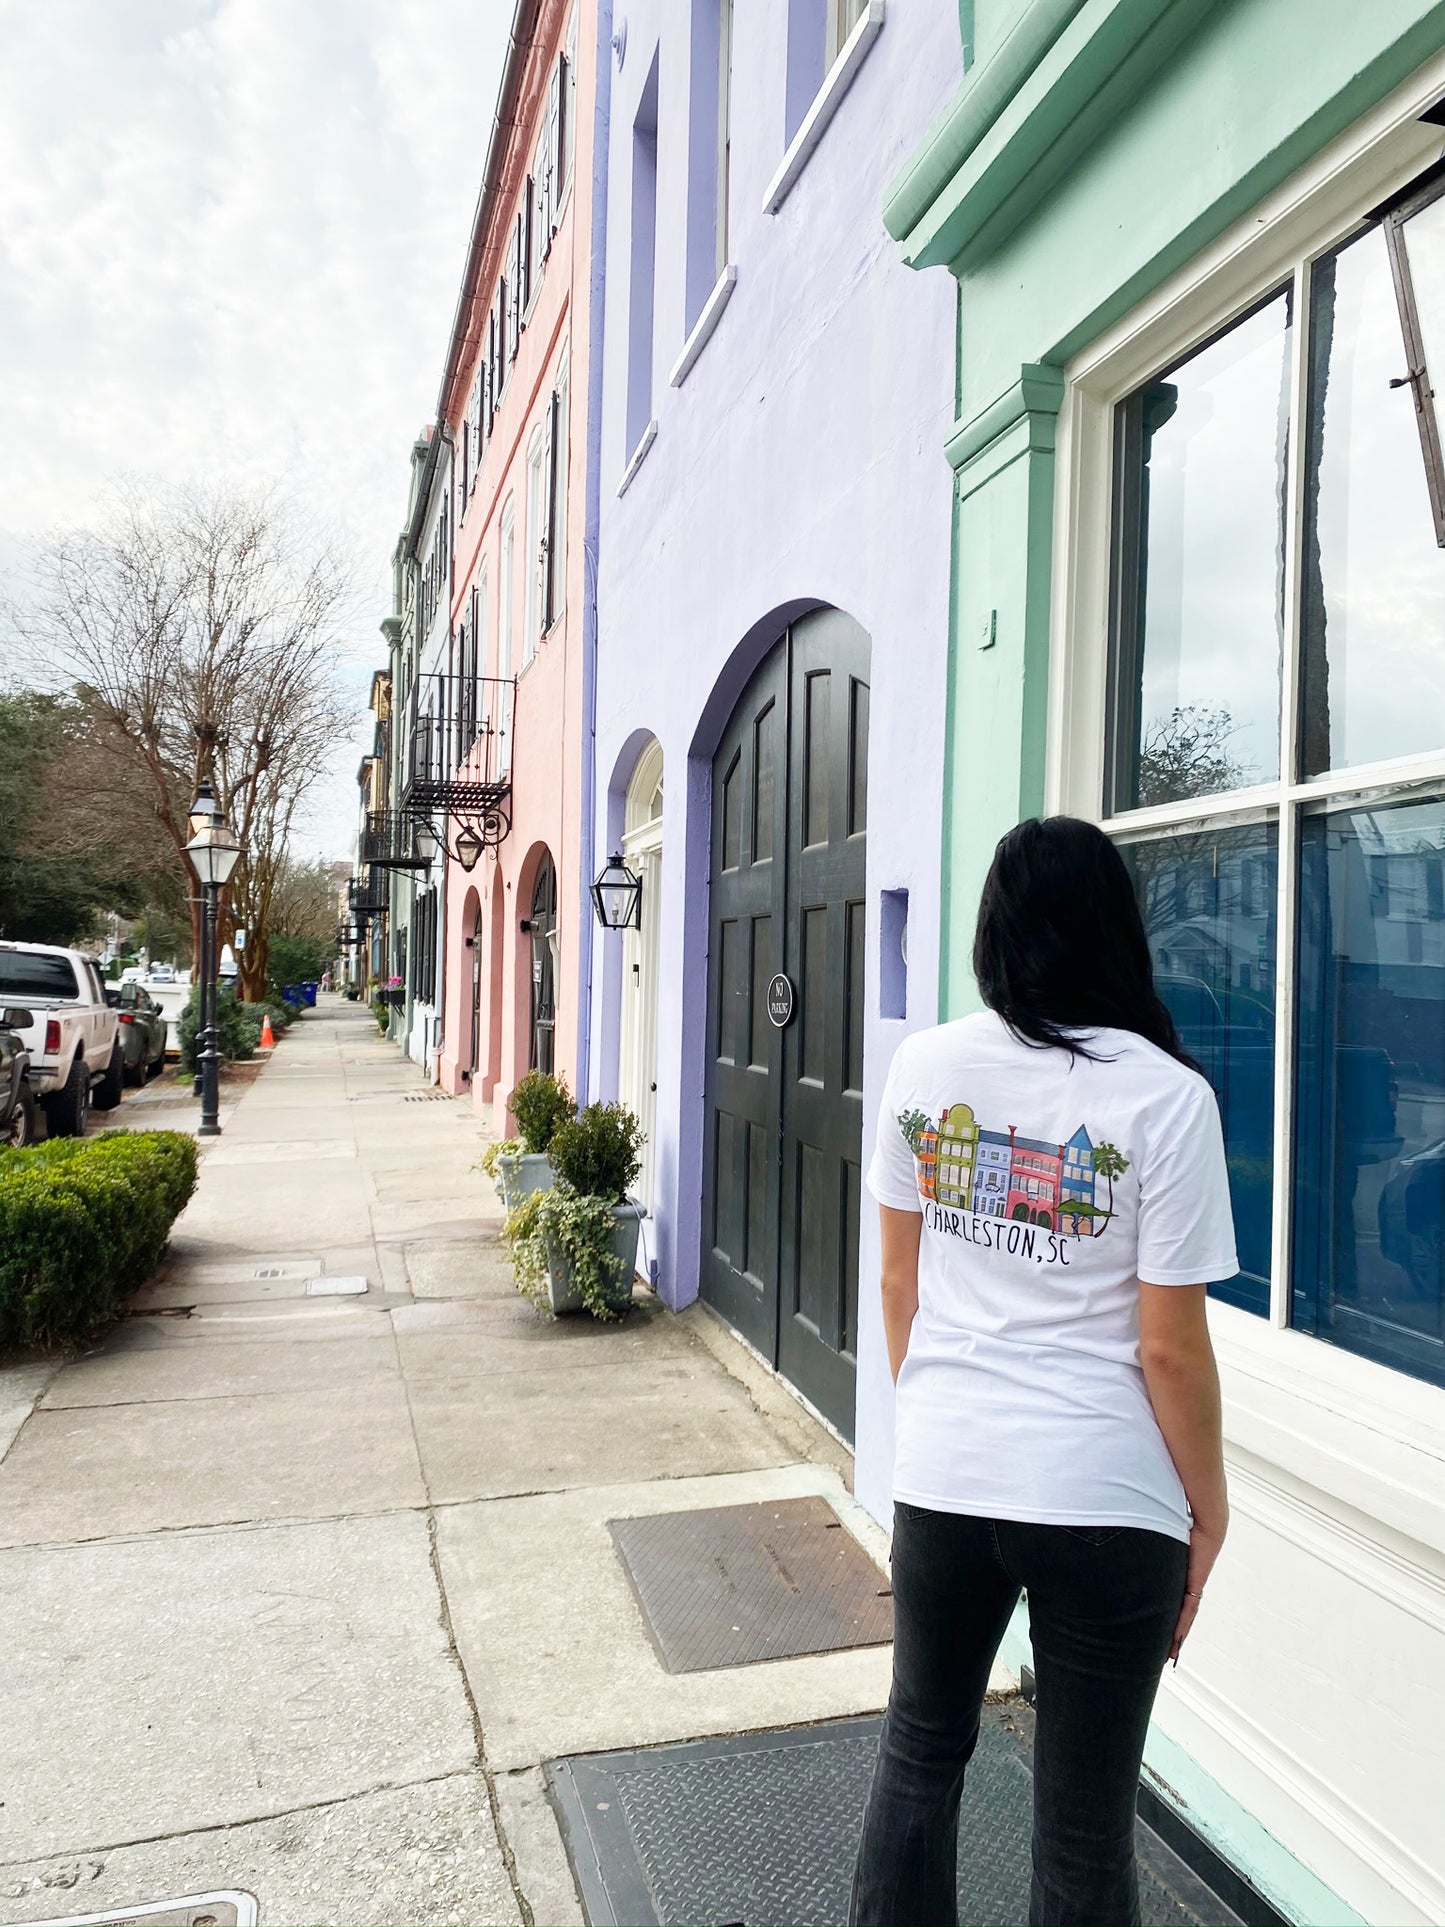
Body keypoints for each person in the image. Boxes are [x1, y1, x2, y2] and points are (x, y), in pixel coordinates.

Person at [851, 816, 1236, 1927]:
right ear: (1117, 930)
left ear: (993, 933)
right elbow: (1167, 1347)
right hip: (1109, 1499)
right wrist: (1206, 1510)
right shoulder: (1166, 1098)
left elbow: (895, 1286)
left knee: (918, 1752)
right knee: (1080, 1821)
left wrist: (933, 1414)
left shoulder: (923, 1068)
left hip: (948, 1471)